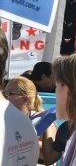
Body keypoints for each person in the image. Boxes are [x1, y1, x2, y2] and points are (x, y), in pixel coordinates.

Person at [0, 29, 39, 165]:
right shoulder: (26, 124)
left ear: (26, 98)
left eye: (11, 93)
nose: (7, 96)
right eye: (7, 92)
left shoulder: (29, 124)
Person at [4, 76, 57, 164]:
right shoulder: (5, 117)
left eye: (9, 93)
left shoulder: (43, 120)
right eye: (4, 93)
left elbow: (49, 158)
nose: (5, 97)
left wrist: (26, 140)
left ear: (25, 99)